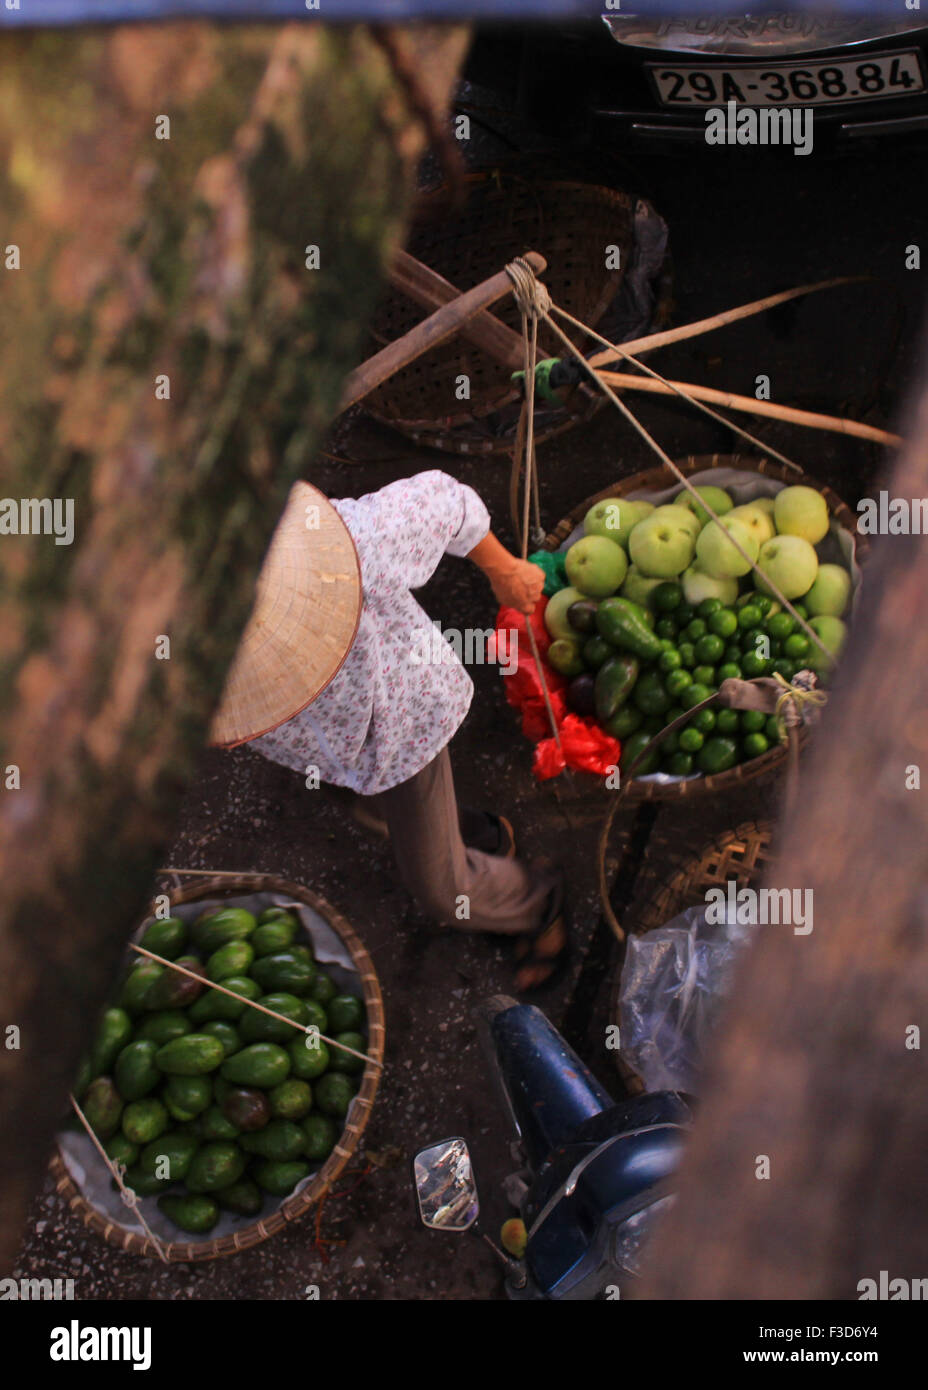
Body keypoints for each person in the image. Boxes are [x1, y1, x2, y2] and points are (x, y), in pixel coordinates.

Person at [210, 469, 568, 991]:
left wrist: (505, 572)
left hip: (400, 722)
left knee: (441, 889)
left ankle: (539, 900)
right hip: (330, 748)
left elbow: (444, 503)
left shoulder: (342, 552)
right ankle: (484, 836)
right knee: (369, 806)